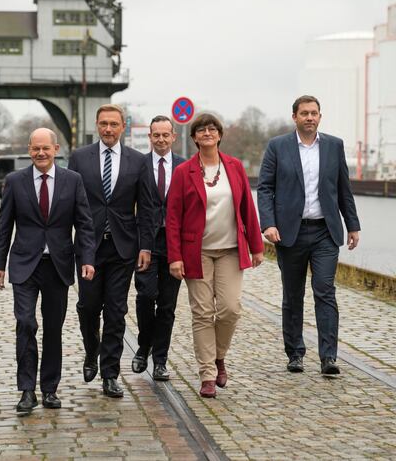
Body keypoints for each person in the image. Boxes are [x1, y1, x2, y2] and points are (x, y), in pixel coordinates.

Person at [0, 128, 96, 413]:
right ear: (29, 150)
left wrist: (87, 258)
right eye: (35, 148)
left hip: (58, 266)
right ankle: (27, 391)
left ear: (56, 149)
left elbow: (85, 224)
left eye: (45, 149)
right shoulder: (15, 181)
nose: (40, 153)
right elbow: (4, 227)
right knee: (26, 324)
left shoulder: (72, 181)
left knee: (53, 329)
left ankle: (49, 389)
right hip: (25, 264)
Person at [257, 95, 360, 376]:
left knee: (325, 291)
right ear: (295, 117)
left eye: (314, 113)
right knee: (293, 295)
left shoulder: (334, 146)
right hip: (290, 232)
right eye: (304, 113)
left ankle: (329, 357)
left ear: (320, 117)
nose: (310, 118)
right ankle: (295, 353)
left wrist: (352, 225)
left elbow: (343, 189)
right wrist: (268, 223)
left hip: (325, 232)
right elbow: (265, 188)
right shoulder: (278, 147)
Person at [166, 113, 264, 398]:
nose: (207, 133)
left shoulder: (234, 167)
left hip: (231, 250)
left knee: (231, 308)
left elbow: (247, 207)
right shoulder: (184, 172)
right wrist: (175, 257)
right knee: (202, 313)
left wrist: (256, 247)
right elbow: (173, 218)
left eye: (212, 129)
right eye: (201, 130)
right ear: (194, 137)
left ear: (219, 135)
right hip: (196, 252)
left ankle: (219, 355)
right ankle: (208, 374)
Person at [67, 104, 153, 398]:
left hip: (123, 246)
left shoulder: (138, 161)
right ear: (97, 124)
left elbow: (147, 207)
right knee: (88, 306)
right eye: (103, 123)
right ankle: (91, 351)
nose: (108, 129)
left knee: (116, 311)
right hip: (88, 247)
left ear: (122, 128)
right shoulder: (79, 158)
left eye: (114, 124)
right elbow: (69, 203)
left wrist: (146, 246)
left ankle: (110, 373)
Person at [133, 115, 186, 381]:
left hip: (174, 245)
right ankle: (144, 345)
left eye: (166, 135)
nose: (161, 139)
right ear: (150, 137)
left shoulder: (185, 167)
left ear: (173, 137)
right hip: (145, 244)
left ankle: (160, 360)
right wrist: (141, 244)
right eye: (156, 135)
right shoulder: (138, 166)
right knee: (145, 297)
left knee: (167, 305)